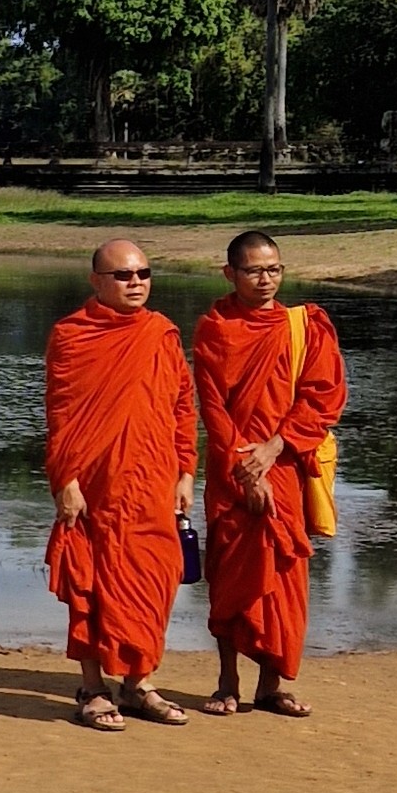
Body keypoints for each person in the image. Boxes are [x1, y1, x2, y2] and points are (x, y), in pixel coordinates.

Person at [44, 238, 196, 731]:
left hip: (154, 480)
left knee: (152, 581)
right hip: (96, 484)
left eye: (143, 274)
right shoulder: (73, 335)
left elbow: (181, 406)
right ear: (96, 281)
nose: (136, 283)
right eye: (124, 276)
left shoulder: (161, 334)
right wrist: (65, 479)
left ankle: (137, 684)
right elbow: (62, 413)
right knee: (92, 580)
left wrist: (187, 471)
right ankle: (92, 688)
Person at [193, 230, 346, 718]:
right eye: (255, 270)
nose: (266, 279)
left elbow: (321, 398)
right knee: (229, 574)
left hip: (284, 465)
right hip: (233, 471)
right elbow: (214, 408)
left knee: (283, 573)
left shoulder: (305, 326)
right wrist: (245, 468)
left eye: (274, 269)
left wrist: (275, 447)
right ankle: (226, 682)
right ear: (230, 274)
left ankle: (271, 684)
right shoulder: (215, 328)